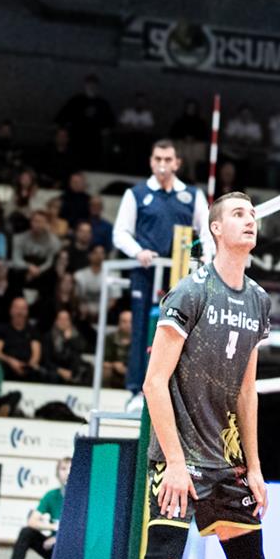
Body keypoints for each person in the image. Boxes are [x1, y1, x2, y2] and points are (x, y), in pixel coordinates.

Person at [133, 192, 270, 559]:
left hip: (227, 461)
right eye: (239, 214)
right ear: (216, 228)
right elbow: (153, 383)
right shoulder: (190, 292)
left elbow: (246, 391)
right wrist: (175, 464)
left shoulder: (259, 301)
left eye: (252, 214)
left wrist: (254, 468)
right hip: (181, 457)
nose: (250, 220)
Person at [113, 140, 213, 394]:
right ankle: (136, 389)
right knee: (140, 328)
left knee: (177, 330)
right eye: (158, 159)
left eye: (168, 159)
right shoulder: (136, 194)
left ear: (177, 163)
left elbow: (208, 231)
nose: (162, 164)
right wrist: (138, 252)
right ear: (151, 161)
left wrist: (206, 257)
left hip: (179, 276)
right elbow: (120, 233)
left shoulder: (192, 195)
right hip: (145, 273)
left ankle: (173, 390)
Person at [0, 456, 71, 559]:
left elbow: (84, 530)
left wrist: (58, 538)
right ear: (57, 473)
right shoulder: (51, 496)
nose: (67, 472)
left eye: (71, 468)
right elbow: (32, 521)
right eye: (63, 468)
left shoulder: (83, 497)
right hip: (53, 549)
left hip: (72, 551)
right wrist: (53, 527)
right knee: (27, 532)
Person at [55, 74, 115, 169]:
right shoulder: (76, 101)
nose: (91, 87)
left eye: (93, 84)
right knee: (75, 164)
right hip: (77, 139)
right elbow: (61, 117)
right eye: (89, 84)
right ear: (85, 85)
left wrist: (106, 130)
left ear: (97, 86)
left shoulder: (103, 103)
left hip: (94, 141)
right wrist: (63, 131)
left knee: (93, 165)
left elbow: (110, 123)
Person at [0, 296, 44, 382]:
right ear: (11, 310)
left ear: (27, 312)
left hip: (27, 367)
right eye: (17, 308)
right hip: (7, 365)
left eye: (23, 309)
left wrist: (27, 366)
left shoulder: (33, 331)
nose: (20, 312)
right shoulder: (2, 329)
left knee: (39, 372)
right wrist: (11, 361)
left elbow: (36, 355)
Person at [102, 309, 134, 389]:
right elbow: (104, 362)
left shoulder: (140, 341)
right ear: (119, 323)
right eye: (124, 321)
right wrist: (115, 365)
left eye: (130, 322)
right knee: (105, 371)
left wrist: (128, 370)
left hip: (134, 372)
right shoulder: (110, 338)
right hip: (114, 372)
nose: (128, 325)